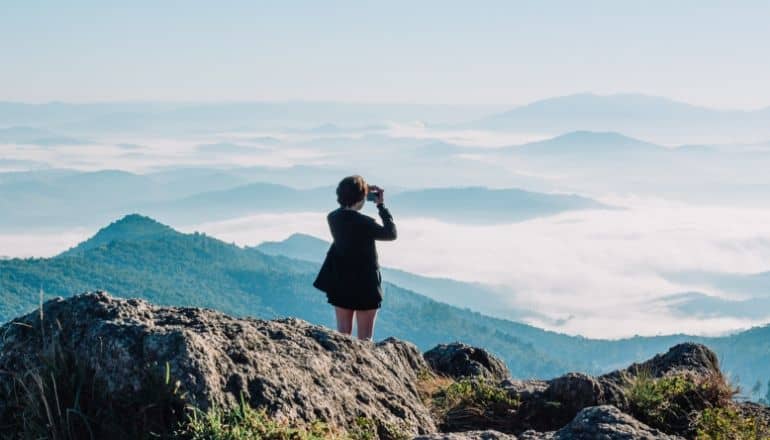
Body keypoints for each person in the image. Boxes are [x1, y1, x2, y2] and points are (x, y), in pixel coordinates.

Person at [312, 175, 397, 341]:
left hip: (340, 281)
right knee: (365, 341)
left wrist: (361, 191)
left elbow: (347, 212)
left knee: (343, 337)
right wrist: (381, 206)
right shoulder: (365, 223)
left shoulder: (333, 217)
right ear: (361, 198)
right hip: (366, 284)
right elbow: (391, 233)